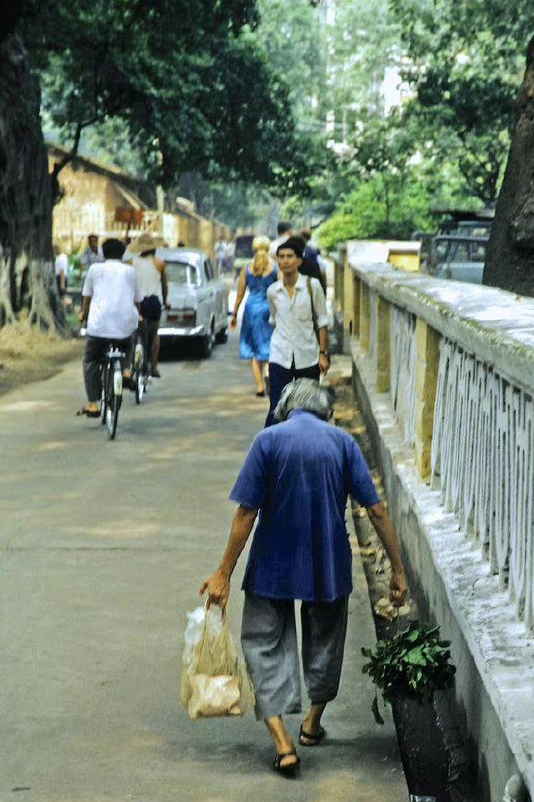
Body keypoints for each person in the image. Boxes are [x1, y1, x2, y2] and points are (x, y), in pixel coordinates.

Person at [199, 379, 408, 775]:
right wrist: (398, 570)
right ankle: (311, 723)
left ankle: (283, 742)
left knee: (262, 644)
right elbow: (376, 510)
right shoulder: (343, 444)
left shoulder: (269, 441)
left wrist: (223, 572)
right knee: (326, 641)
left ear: (286, 407)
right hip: (327, 564)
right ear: (325, 410)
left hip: (272, 564)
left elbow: (247, 513)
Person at [264, 238, 330, 427]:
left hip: (307, 355)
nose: (285, 261)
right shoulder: (273, 292)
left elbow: (322, 322)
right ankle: (273, 449)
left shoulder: (312, 286)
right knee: (277, 408)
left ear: (299, 261)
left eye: (289, 256)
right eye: (281, 257)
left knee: (309, 406)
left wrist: (322, 353)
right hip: (280, 355)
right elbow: (274, 320)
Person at [77, 238, 141, 418]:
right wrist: (136, 315)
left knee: (90, 360)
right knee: (128, 342)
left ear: (103, 253)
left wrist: (83, 314)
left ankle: (93, 404)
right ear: (122, 254)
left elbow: (87, 297)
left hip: (98, 325)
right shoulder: (130, 271)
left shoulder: (95, 269)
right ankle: (127, 370)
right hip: (123, 325)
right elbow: (137, 301)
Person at [231, 236, 277, 397]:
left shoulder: (247, 268)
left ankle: (259, 387)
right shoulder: (275, 268)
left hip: (251, 310)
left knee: (254, 348)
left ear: (253, 249)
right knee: (269, 345)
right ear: (268, 248)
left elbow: (240, 294)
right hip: (269, 310)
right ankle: (268, 373)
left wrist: (235, 314)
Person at [127, 232, 170, 378]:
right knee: (154, 335)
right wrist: (165, 301)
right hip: (153, 303)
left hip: (137, 304)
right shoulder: (159, 264)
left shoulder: (131, 263)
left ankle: (131, 365)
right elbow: (164, 287)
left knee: (134, 334)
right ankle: (154, 367)